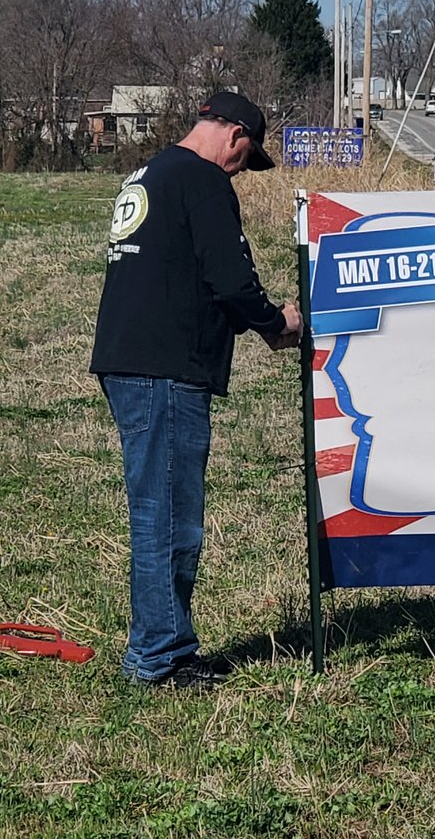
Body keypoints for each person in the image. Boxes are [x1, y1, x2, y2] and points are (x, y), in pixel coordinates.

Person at [90, 91, 302, 689]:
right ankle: (160, 659)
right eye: (247, 156)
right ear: (234, 135)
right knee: (170, 516)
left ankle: (166, 647)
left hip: (129, 360)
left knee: (160, 509)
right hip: (166, 368)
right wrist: (273, 322)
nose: (242, 168)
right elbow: (230, 277)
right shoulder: (204, 180)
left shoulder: (150, 173)